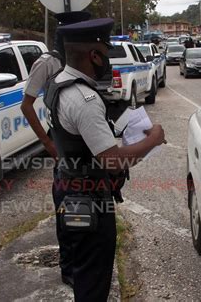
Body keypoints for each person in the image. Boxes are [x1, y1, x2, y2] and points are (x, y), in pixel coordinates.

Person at [45, 18, 166, 301]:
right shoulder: (83, 99)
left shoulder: (58, 84)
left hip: (67, 187)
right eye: (106, 52)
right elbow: (113, 162)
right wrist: (153, 139)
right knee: (93, 280)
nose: (108, 60)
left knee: (81, 268)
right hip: (89, 200)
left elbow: (73, 135)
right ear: (94, 55)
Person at [21, 11, 91, 158]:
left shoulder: (82, 60)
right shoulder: (47, 63)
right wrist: (47, 143)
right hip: (63, 136)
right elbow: (26, 106)